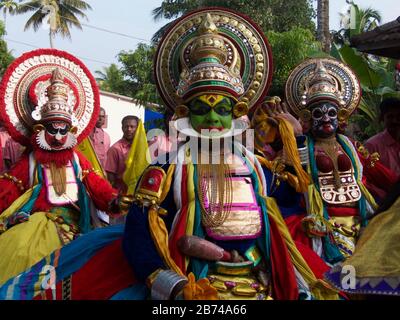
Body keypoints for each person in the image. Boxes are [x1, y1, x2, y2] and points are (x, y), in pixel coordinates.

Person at [0, 49, 130, 286]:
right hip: (36, 228)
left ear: (71, 132)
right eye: (53, 130)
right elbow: (7, 189)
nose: (58, 137)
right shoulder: (30, 162)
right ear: (39, 131)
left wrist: (115, 200)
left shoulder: (78, 161)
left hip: (77, 227)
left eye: (63, 130)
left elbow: (96, 185)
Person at [280, 58, 398, 265]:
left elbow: (385, 178)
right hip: (321, 226)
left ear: (340, 116)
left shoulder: (351, 147)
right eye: (318, 113)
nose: (326, 119)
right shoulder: (301, 147)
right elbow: (284, 185)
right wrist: (295, 137)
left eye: (331, 113)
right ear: (308, 117)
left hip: (360, 222)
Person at [365, 98, 400, 174]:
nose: (395, 121)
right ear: (382, 118)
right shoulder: (372, 145)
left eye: (399, 116)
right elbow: (369, 176)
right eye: (390, 117)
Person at [105, 115, 139, 193]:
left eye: (132, 127)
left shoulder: (143, 147)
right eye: (126, 127)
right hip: (122, 195)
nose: (129, 129)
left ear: (137, 128)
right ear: (122, 128)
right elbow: (110, 177)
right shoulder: (115, 149)